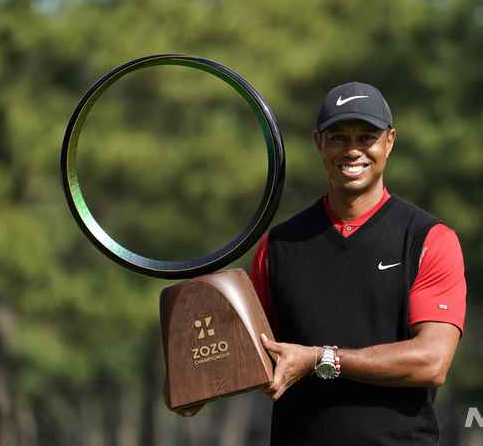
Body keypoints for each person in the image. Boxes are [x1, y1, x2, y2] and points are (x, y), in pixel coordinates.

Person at [165, 82, 466, 445]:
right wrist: (192, 381)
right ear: (318, 143)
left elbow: (432, 361)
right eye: (338, 137)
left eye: (366, 136)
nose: (352, 150)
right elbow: (251, 353)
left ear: (390, 141)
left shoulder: (429, 239)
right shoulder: (277, 246)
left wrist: (321, 360)